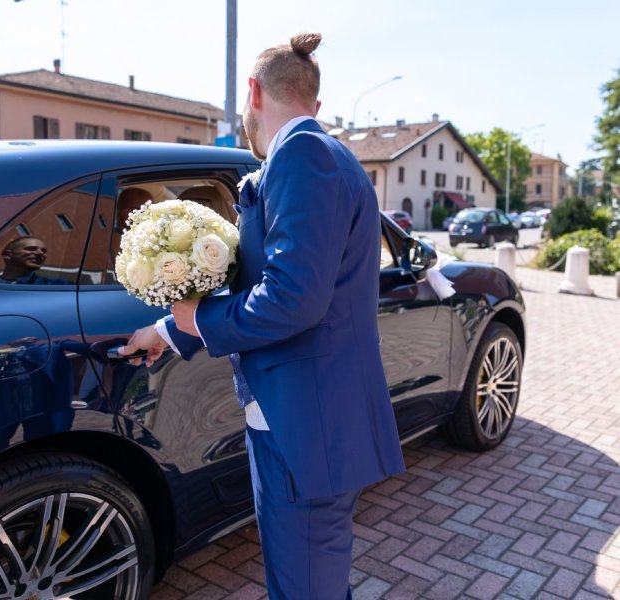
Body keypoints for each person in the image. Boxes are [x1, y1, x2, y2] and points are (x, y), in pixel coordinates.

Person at [120, 32, 405, 598]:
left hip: (305, 423)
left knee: (302, 588)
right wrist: (169, 329)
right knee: (306, 581)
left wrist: (195, 316)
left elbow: (292, 298)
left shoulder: (302, 155)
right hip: (301, 414)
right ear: (313, 102)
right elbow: (273, 286)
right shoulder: (324, 154)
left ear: (252, 90)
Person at [0, 236, 64, 285]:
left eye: (43, 251)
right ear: (7, 255)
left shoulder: (58, 286)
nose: (40, 253)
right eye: (31, 249)